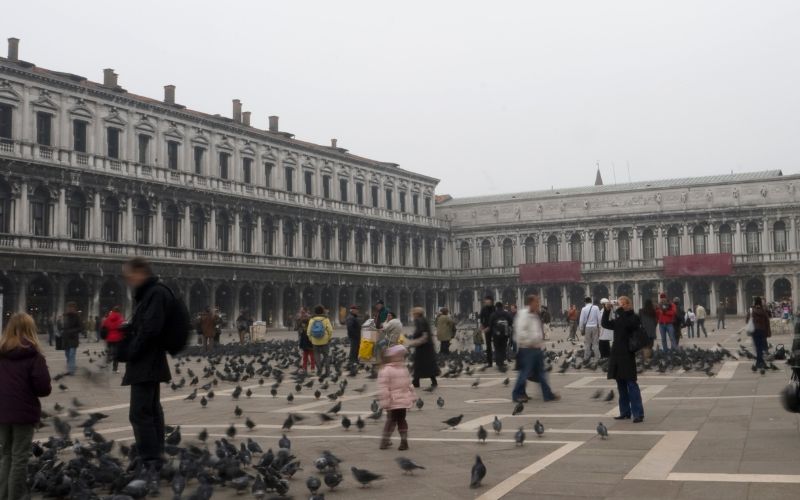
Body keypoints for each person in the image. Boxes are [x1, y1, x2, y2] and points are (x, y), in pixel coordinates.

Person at [121, 257, 174, 470]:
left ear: (140, 273)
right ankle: (155, 456)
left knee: (140, 412)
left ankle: (151, 460)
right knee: (151, 410)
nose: (129, 280)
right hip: (151, 361)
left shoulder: (155, 293)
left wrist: (130, 350)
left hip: (146, 361)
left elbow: (150, 329)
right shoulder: (154, 293)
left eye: (131, 275)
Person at [0, 313, 52, 500]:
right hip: (23, 414)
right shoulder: (34, 356)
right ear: (31, 330)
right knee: (20, 458)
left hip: (2, 413)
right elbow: (43, 389)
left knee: (6, 455)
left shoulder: (1, 353)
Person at [602, 296, 644, 423]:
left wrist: (620, 311)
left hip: (627, 354)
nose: (618, 305)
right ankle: (625, 412)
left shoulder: (633, 317)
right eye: (618, 303)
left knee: (631, 384)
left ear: (627, 305)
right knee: (620, 384)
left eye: (621, 303)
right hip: (617, 354)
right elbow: (605, 324)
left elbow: (628, 325)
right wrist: (607, 310)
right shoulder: (620, 317)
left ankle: (638, 414)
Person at [511, 295, 559, 403]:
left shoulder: (535, 315)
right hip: (527, 349)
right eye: (536, 302)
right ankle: (517, 394)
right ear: (530, 303)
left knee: (542, 373)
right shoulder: (523, 315)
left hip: (536, 349)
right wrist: (530, 342)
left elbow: (537, 331)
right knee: (524, 373)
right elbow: (519, 332)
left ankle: (548, 395)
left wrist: (540, 343)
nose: (538, 304)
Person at [377, 345, 416, 450]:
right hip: (403, 402)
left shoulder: (385, 370)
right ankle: (404, 441)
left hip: (393, 402)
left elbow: (384, 388)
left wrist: (385, 402)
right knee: (402, 420)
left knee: (390, 421)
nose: (402, 358)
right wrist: (412, 396)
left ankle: (384, 441)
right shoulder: (404, 369)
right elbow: (410, 384)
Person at [405, 307, 438, 388]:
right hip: (427, 347)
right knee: (427, 364)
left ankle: (416, 381)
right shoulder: (424, 319)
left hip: (423, 347)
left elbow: (424, 335)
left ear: (416, 314)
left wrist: (412, 343)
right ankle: (430, 380)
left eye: (413, 313)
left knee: (419, 364)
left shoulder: (419, 321)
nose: (413, 315)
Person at [746, 297, 772, 375]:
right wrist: (768, 332)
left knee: (758, 347)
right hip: (762, 331)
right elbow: (767, 322)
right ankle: (760, 362)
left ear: (754, 302)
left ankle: (759, 362)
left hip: (755, 331)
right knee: (761, 346)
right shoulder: (763, 311)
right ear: (760, 302)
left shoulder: (751, 310)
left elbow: (747, 320)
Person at [307, 305, 333, 377]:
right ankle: (327, 372)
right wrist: (329, 338)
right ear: (322, 311)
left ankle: (319, 370)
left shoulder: (312, 320)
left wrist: (311, 339)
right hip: (325, 341)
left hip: (315, 341)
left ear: (315, 311)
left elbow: (308, 331)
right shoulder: (325, 319)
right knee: (326, 356)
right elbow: (330, 330)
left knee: (316, 356)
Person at [488, 301, 514, 371]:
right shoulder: (506, 313)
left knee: (497, 348)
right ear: (502, 306)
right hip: (505, 334)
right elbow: (511, 322)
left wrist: (491, 335)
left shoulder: (493, 314)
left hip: (496, 334)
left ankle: (498, 362)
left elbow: (490, 325)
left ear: (496, 307)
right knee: (503, 347)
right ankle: (502, 361)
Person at [61, 302, 82, 375]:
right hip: (66, 339)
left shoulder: (77, 316)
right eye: (69, 307)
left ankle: (71, 371)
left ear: (74, 308)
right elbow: (63, 326)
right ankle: (70, 367)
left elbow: (80, 328)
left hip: (73, 339)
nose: (70, 309)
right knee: (67, 355)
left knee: (71, 354)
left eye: (71, 307)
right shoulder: (65, 316)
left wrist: (72, 331)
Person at [102, 305, 125, 373]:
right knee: (116, 354)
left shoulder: (108, 318)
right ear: (119, 311)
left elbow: (104, 326)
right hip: (118, 338)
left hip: (109, 337)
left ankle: (108, 359)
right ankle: (115, 369)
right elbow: (123, 327)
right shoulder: (121, 318)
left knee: (109, 350)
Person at [578, 297, 601, 362]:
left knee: (587, 343)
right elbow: (599, 318)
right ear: (591, 301)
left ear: (585, 302)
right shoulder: (596, 308)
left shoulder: (584, 309)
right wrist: (599, 327)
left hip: (587, 327)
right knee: (595, 343)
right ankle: (597, 357)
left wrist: (581, 328)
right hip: (595, 327)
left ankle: (586, 357)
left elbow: (581, 320)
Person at [479, 295, 495, 367]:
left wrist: (490, 327)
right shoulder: (483, 309)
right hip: (486, 329)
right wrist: (482, 325)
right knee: (488, 346)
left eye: (488, 301)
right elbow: (481, 318)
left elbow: (495, 319)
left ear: (491, 302)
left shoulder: (494, 308)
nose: (486, 302)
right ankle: (490, 362)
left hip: (494, 328)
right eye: (485, 301)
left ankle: (499, 360)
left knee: (496, 345)